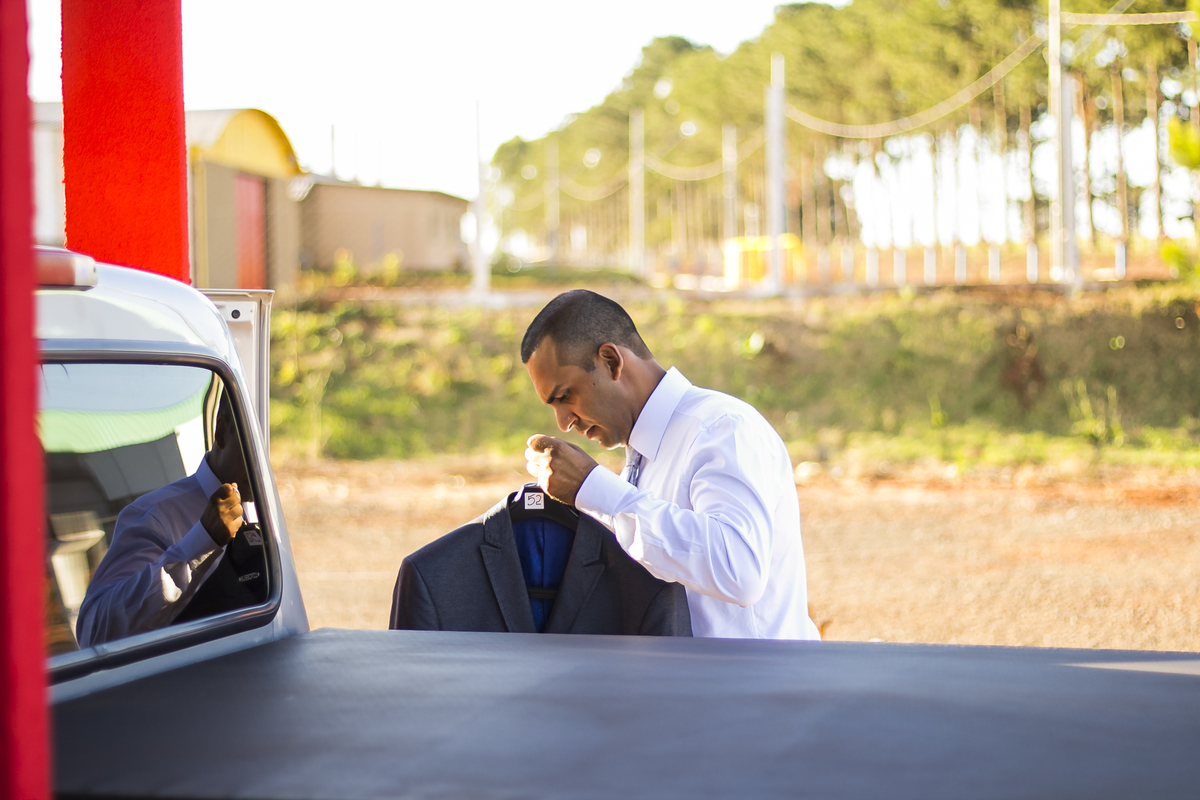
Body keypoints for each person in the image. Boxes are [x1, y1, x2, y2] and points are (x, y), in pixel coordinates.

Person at [521, 290, 821, 640]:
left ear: (611, 361)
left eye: (565, 396)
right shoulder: (643, 455)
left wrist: (597, 490)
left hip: (752, 675)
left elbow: (739, 569)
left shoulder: (721, 428)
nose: (563, 422)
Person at [76, 404, 247, 648]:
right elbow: (96, 633)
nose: (266, 461)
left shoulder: (268, 512)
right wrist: (200, 543)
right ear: (221, 431)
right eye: (255, 444)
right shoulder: (152, 515)